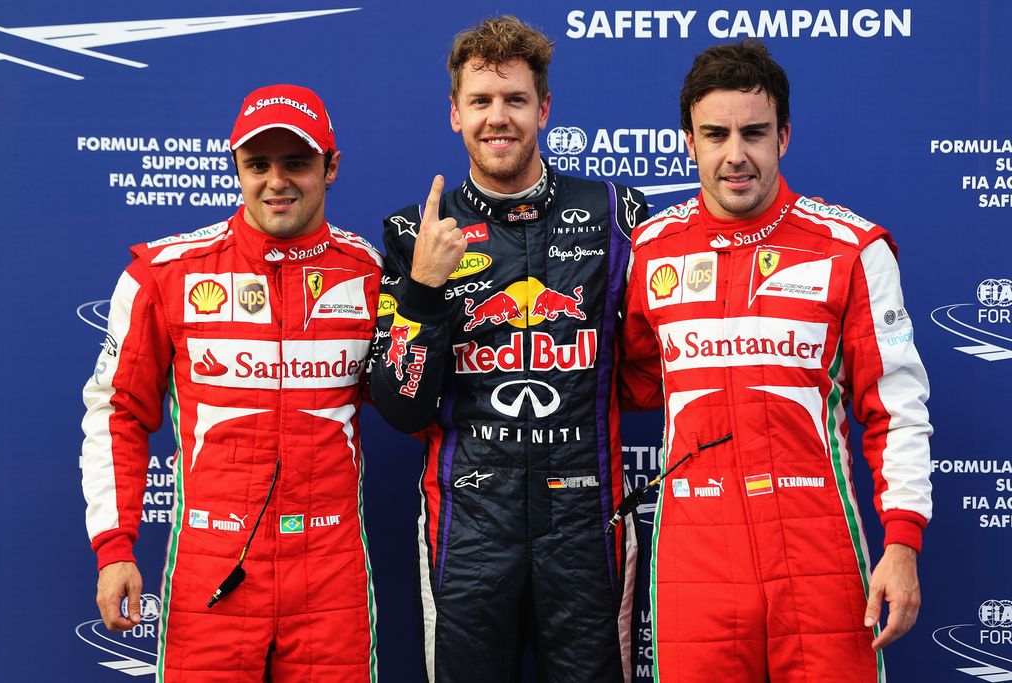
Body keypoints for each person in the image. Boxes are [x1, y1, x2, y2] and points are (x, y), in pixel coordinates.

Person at [621, 40, 933, 681]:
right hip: (696, 553)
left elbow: (896, 409)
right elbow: (634, 379)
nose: (736, 154)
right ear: (690, 142)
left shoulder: (850, 248)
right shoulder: (650, 251)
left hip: (818, 545)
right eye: (716, 135)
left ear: (783, 136)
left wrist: (903, 542)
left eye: (755, 133)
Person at [369, 16, 648, 683]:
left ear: (543, 108)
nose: (498, 117)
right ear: (455, 113)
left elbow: (655, 364)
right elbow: (400, 408)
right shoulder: (416, 231)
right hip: (468, 527)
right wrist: (423, 290)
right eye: (481, 101)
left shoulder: (618, 215)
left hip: (588, 524)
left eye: (515, 99)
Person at [81, 84, 382, 682]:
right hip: (212, 564)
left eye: (296, 162)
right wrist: (114, 548)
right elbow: (117, 412)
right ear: (237, 167)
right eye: (258, 164)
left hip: (330, 568)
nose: (276, 181)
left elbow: (415, 404)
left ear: (331, 167)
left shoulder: (371, 273)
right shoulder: (165, 273)